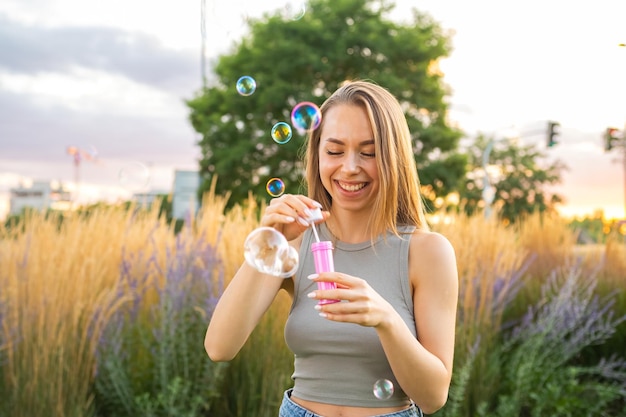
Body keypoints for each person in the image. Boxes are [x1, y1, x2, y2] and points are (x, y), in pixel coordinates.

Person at [205, 80, 459, 417]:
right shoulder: (295, 241)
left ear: (393, 158)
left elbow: (433, 397)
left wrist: (386, 320)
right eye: (335, 151)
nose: (350, 167)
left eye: (369, 152)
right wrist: (269, 240)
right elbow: (220, 347)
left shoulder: (426, 252)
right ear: (317, 154)